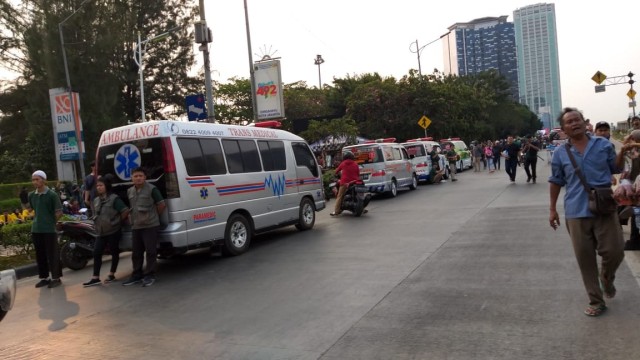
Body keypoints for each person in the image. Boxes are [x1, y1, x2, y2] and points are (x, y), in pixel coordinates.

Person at [549, 108, 624, 317]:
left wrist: (624, 153)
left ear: (584, 122)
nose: (574, 124)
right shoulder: (560, 153)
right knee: (585, 259)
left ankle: (607, 278)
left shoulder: (603, 145)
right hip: (576, 211)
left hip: (604, 208)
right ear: (564, 129)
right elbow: (555, 181)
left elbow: (616, 169)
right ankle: (596, 300)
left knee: (615, 251)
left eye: (577, 120)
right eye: (569, 122)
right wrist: (552, 209)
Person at [83, 176, 130, 287]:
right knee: (97, 253)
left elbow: (125, 211)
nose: (98, 188)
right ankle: (95, 277)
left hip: (113, 230)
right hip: (101, 231)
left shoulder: (114, 199)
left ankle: (111, 274)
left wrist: (116, 221)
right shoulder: (96, 200)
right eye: (97, 186)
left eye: (101, 185)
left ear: (106, 187)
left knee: (114, 252)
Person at [122, 167, 166, 287]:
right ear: (132, 178)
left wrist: (152, 216)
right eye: (135, 176)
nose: (138, 178)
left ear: (145, 177)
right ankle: (136, 274)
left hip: (150, 225)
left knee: (151, 251)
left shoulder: (152, 189)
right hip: (136, 226)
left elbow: (161, 204)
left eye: (140, 176)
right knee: (136, 252)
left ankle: (150, 275)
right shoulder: (130, 191)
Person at [28, 170, 64, 288]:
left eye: (37, 179)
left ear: (44, 180)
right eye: (33, 180)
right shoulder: (31, 195)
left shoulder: (52, 195)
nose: (35, 182)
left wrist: (51, 222)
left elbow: (59, 212)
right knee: (40, 254)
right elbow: (33, 209)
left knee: (52, 254)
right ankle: (44, 278)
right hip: (36, 229)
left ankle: (56, 278)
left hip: (49, 229)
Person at [330, 151, 361, 216]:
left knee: (339, 196)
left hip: (344, 183)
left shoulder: (343, 163)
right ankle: (362, 208)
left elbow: (336, 171)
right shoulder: (355, 164)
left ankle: (336, 211)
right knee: (359, 194)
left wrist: (334, 174)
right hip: (355, 182)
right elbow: (358, 173)